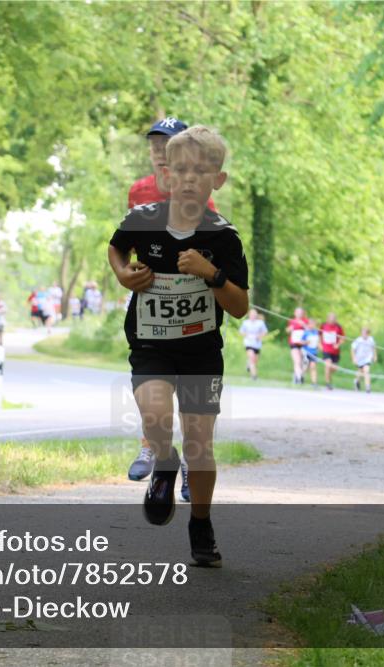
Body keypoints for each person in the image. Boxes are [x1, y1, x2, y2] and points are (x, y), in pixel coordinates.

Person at [108, 125, 248, 566]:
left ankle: (200, 524)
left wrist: (212, 274)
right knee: (154, 415)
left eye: (201, 171)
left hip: (201, 351)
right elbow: (115, 249)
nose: (189, 178)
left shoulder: (223, 237)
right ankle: (164, 463)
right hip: (151, 344)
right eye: (181, 170)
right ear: (167, 176)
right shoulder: (142, 219)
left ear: (217, 181)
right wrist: (122, 273)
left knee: (200, 444)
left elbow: (240, 306)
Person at [125, 116, 215, 489]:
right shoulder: (138, 190)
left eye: (167, 145)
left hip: (187, 298)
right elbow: (129, 238)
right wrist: (129, 270)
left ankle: (188, 463)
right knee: (152, 381)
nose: (159, 152)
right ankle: (153, 446)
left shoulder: (198, 188)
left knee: (186, 384)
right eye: (154, 146)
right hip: (148, 297)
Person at [239, 309, 268, 380]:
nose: (253, 316)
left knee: (254, 361)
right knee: (252, 358)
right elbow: (241, 332)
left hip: (257, 344)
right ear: (249, 315)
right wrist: (247, 335)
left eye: (254, 314)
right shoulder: (245, 322)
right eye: (252, 314)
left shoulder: (260, 323)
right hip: (248, 343)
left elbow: (265, 332)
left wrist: (259, 336)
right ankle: (254, 376)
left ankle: (248, 364)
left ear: (256, 315)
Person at [320, 312, 345, 390]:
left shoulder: (338, 327)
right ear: (327, 318)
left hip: (335, 351)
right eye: (331, 318)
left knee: (334, 368)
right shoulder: (323, 326)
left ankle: (328, 377)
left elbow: (343, 338)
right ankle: (328, 384)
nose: (332, 320)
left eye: (334, 318)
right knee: (328, 365)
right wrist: (319, 345)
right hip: (326, 350)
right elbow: (318, 335)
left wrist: (338, 344)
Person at [285, 308, 309, 384]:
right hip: (294, 344)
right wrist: (290, 329)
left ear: (303, 313)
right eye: (297, 312)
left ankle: (298, 375)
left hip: (304, 345)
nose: (299, 314)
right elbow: (287, 331)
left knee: (305, 363)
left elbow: (310, 331)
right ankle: (299, 378)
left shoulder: (306, 321)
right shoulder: (291, 321)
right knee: (297, 361)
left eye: (301, 312)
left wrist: (304, 325)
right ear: (295, 313)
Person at [351, 327, 377, 393]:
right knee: (360, 371)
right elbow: (352, 349)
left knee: (366, 370)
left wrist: (375, 356)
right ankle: (356, 381)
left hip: (367, 358)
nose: (364, 334)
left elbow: (373, 347)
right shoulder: (358, 340)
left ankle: (367, 387)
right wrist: (354, 358)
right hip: (359, 358)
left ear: (368, 334)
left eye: (365, 333)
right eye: (362, 333)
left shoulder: (371, 339)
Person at [303, 318, 321, 388]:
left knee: (313, 367)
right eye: (311, 324)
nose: (312, 325)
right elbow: (301, 342)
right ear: (309, 324)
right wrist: (306, 342)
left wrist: (320, 347)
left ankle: (314, 382)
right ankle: (300, 377)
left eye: (314, 324)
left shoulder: (316, 333)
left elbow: (319, 342)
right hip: (306, 352)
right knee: (306, 367)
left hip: (314, 353)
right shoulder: (306, 332)